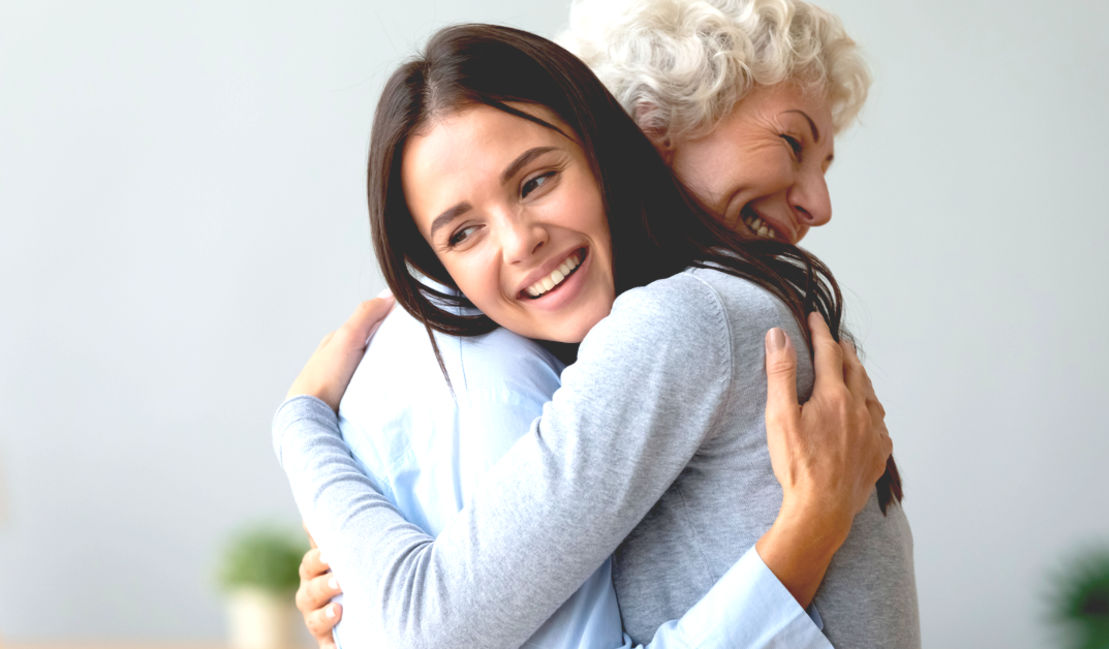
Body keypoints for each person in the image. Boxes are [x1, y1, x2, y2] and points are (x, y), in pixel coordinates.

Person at [275, 18, 918, 649]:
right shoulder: (709, 314)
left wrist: (301, 424)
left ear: (599, 150)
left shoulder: (685, 320)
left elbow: (425, 627)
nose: (520, 241)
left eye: (537, 181)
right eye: (462, 232)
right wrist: (353, 578)